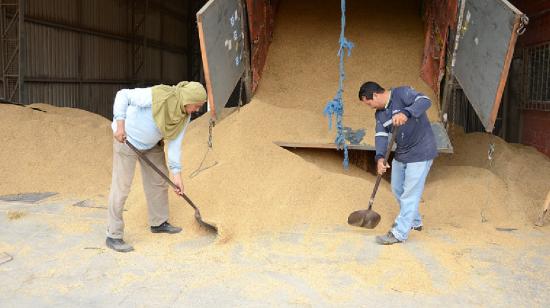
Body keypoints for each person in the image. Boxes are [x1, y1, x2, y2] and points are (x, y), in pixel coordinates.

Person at [106, 81, 207, 252]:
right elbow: (123, 95)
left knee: (159, 183)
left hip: (151, 145)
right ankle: (113, 235)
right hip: (127, 139)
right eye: (196, 106)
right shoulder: (158, 95)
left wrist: (177, 176)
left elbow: (175, 144)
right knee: (121, 187)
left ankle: (158, 223)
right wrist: (120, 125)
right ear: (187, 99)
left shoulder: (184, 115)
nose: (197, 110)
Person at [358, 81, 437, 245]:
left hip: (421, 150)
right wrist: (380, 158)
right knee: (397, 189)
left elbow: (425, 100)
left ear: (375, 95)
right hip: (402, 152)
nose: (370, 107)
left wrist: (407, 113)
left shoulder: (402, 94)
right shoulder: (380, 114)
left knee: (410, 193)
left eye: (369, 103)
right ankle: (415, 222)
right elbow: (381, 136)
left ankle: (399, 233)